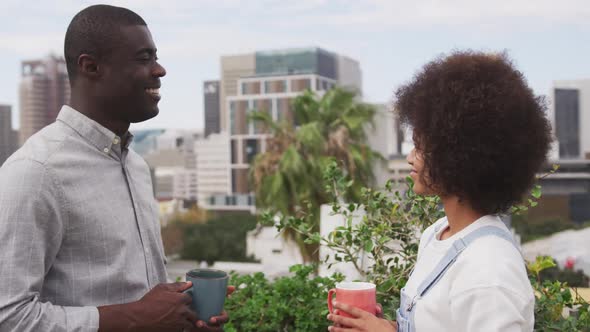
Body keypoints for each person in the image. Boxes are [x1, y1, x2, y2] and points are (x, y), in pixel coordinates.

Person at [0, 5, 233, 332]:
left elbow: (145, 297)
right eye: (144, 58)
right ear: (91, 66)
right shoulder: (35, 172)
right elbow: (8, 317)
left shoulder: (136, 166)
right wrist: (138, 317)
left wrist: (185, 316)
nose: (160, 70)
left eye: (156, 56)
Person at [327, 51, 552, 331]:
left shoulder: (490, 271)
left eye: (420, 146)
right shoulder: (436, 234)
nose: (410, 157)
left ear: (459, 157)